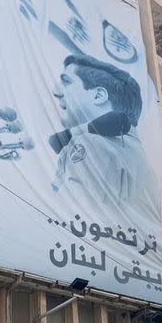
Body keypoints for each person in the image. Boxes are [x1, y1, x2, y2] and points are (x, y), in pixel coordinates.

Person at [50, 53, 152, 210]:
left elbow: (68, 208)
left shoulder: (90, 142)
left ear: (98, 95)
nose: (56, 91)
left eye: (66, 82)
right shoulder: (140, 155)